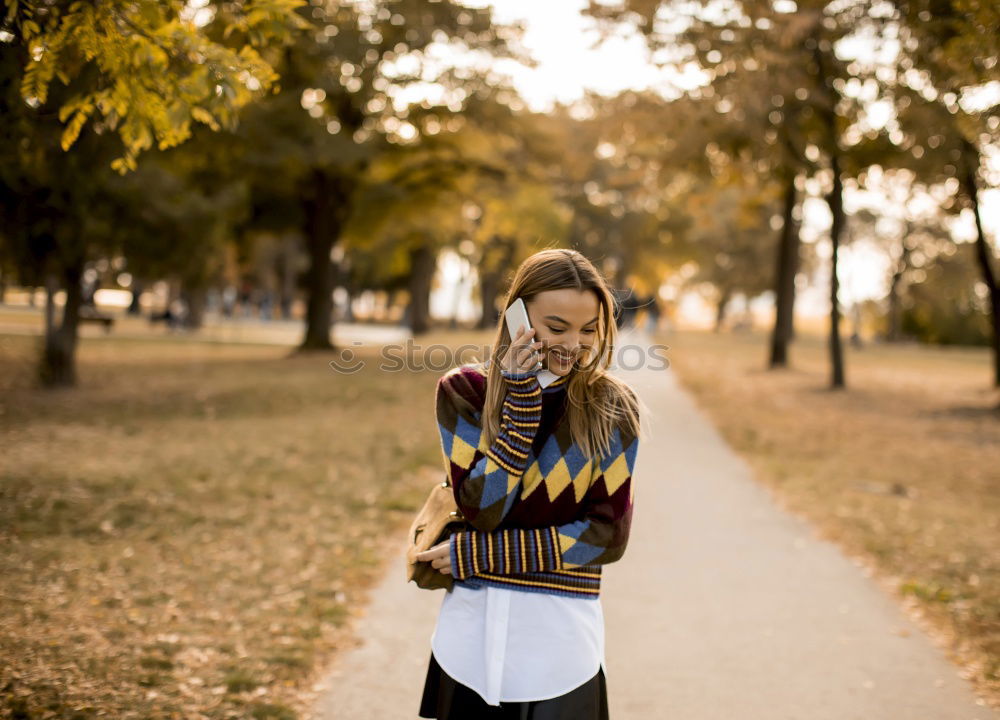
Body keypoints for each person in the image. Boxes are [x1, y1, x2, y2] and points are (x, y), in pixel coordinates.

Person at [416, 248, 644, 719]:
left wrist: (480, 556)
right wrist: (520, 408)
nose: (573, 344)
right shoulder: (464, 394)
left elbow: (606, 536)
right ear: (516, 316)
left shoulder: (613, 407)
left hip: (561, 648)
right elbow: (483, 510)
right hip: (469, 643)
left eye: (589, 329)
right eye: (556, 327)